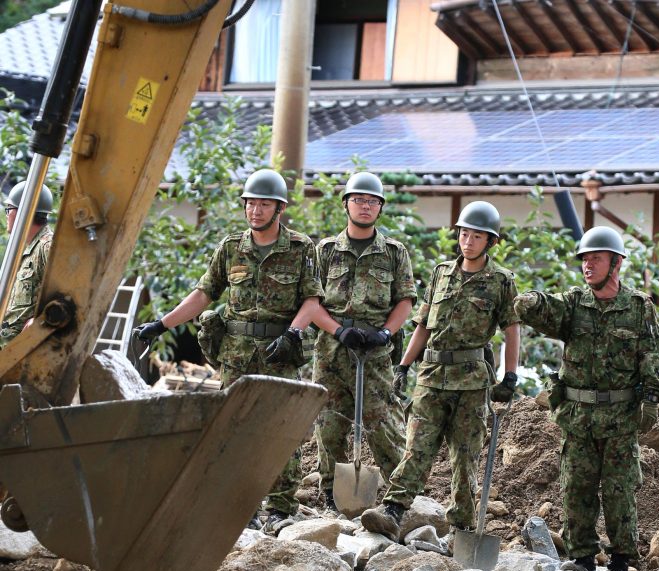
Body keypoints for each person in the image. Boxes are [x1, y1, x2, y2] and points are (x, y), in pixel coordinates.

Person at [136, 168, 324, 532]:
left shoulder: (301, 249)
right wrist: (162, 324)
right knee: (234, 428)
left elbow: (313, 300)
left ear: (279, 209)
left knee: (282, 426)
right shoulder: (230, 247)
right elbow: (204, 294)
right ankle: (240, 505)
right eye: (250, 203)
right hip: (237, 353)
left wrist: (293, 334)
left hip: (278, 351)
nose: (255, 211)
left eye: (264, 204)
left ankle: (283, 506)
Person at [514, 225, 659, 571]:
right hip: (579, 418)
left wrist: (650, 398)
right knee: (576, 488)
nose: (588, 266)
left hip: (619, 418)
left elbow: (653, 355)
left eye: (596, 259)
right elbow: (536, 310)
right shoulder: (572, 304)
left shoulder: (638, 308)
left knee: (620, 490)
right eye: (584, 259)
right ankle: (581, 559)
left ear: (615, 264)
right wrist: (531, 300)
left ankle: (619, 562)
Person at [360, 201, 520, 541]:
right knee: (417, 446)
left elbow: (511, 330)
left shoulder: (501, 281)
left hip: (472, 380)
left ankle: (462, 525)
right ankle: (393, 511)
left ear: (491, 242)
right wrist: (403, 366)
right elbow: (423, 325)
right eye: (464, 234)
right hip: (432, 376)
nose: (468, 241)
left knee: (465, 456)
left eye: (477, 236)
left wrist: (510, 376)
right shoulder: (441, 273)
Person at [310, 171, 416, 511]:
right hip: (331, 350)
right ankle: (332, 495)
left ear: (380, 208)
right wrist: (338, 330)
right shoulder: (325, 251)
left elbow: (406, 301)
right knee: (329, 424)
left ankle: (400, 499)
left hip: (376, 351)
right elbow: (311, 302)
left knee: (383, 423)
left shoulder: (394, 253)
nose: (365, 206)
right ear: (346, 204)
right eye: (359, 200)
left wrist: (385, 332)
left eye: (372, 201)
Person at [1, 180, 54, 346]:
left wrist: (40, 322)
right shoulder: (28, 249)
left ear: (23, 212)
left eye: (8, 209)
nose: (6, 214)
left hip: (22, 354)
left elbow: (68, 295)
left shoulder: (47, 246)